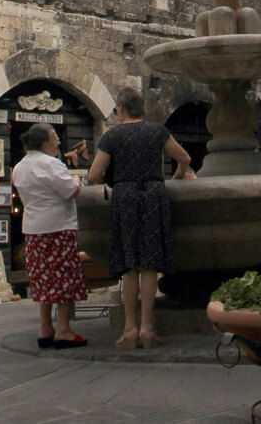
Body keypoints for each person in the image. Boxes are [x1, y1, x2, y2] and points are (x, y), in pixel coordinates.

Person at [88, 87, 191, 349]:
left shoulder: (113, 136)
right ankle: (147, 328)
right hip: (153, 195)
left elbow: (94, 175)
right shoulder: (156, 130)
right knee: (149, 265)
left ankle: (129, 329)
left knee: (130, 265)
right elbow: (184, 158)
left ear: (121, 108)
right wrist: (176, 178)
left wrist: (113, 182)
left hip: (125, 196)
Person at [12, 123, 88, 349]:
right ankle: (63, 329)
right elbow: (70, 191)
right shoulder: (51, 164)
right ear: (44, 143)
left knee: (43, 277)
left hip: (33, 228)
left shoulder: (19, 167)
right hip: (57, 227)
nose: (58, 142)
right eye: (55, 138)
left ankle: (45, 328)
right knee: (62, 276)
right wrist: (76, 179)